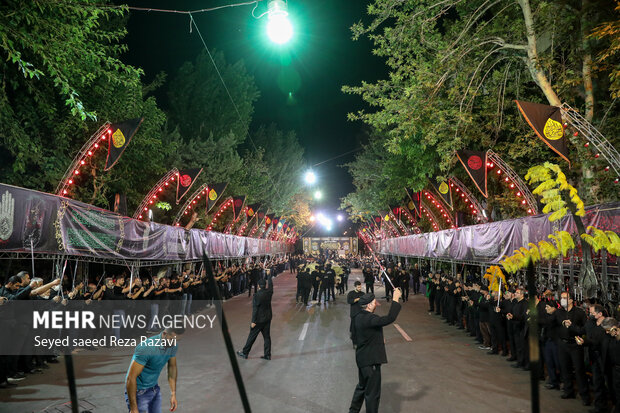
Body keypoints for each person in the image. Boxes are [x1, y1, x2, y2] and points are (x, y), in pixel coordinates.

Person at [349, 288, 402, 413]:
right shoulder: (370, 319)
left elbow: (357, 336)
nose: (376, 304)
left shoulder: (358, 317)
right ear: (369, 305)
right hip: (371, 361)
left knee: (362, 387)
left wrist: (377, 338)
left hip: (362, 359)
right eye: (374, 302)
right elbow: (389, 318)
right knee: (372, 394)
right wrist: (395, 298)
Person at [125, 327, 184, 413]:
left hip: (154, 389)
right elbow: (131, 378)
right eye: (171, 339)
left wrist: (173, 394)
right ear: (164, 334)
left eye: (176, 340)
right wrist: (134, 408)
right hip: (138, 391)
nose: (173, 343)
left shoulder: (173, 345)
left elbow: (172, 368)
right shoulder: (146, 347)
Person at [237, 273, 273, 360]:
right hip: (267, 318)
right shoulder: (269, 292)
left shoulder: (257, 295)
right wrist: (269, 276)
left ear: (258, 286)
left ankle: (245, 353)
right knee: (267, 337)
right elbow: (271, 285)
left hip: (259, 320)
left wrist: (253, 321)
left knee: (252, 336)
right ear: (265, 285)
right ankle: (267, 355)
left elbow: (255, 309)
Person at [347, 281, 365, 346]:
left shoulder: (363, 293)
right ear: (355, 287)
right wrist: (356, 300)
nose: (360, 288)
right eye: (358, 287)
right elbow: (349, 301)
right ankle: (354, 342)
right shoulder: (351, 293)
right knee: (354, 328)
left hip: (361, 313)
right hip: (354, 313)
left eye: (360, 287)